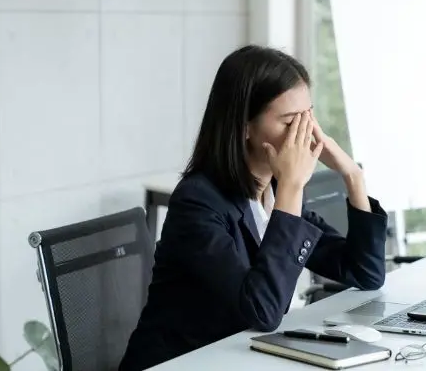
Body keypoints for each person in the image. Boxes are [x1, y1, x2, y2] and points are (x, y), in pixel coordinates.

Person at [119, 45, 388, 370]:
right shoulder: (198, 203)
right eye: (291, 122)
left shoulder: (275, 191)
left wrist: (353, 176)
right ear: (244, 127)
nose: (305, 136)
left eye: (308, 118)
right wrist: (291, 186)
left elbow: (365, 272)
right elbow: (262, 311)